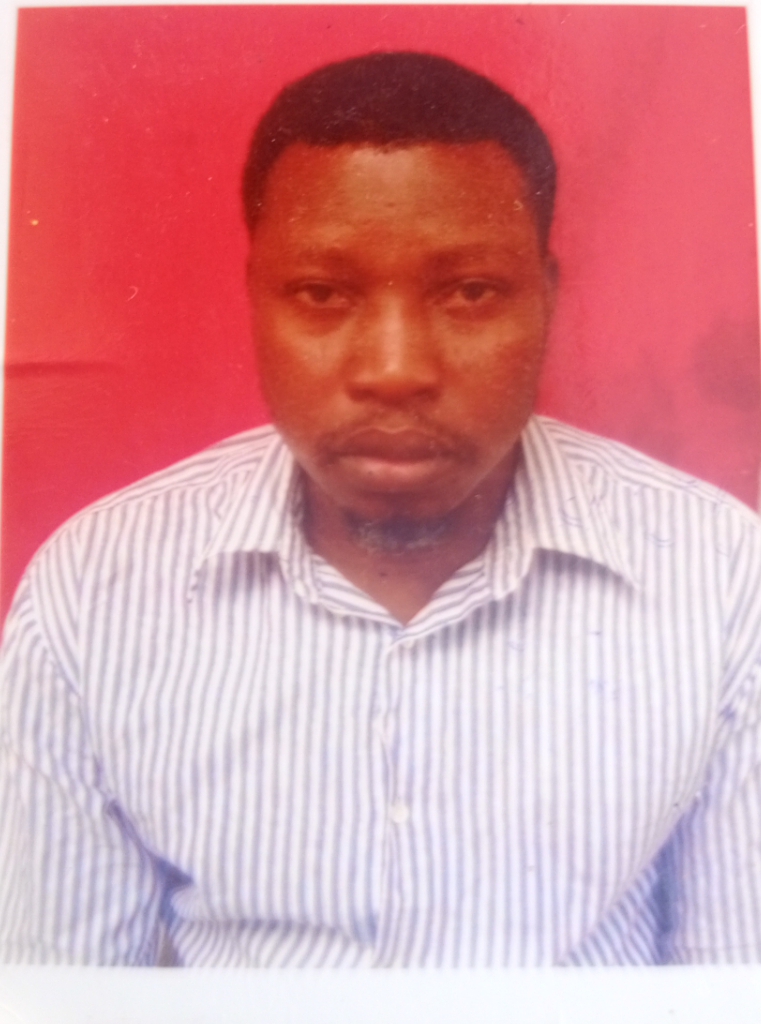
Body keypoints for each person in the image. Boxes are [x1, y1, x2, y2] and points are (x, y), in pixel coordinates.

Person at [1, 51, 760, 968]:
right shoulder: (95, 588)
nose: (395, 370)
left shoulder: (721, 577)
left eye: (469, 292)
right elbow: (59, 994)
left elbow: (734, 986)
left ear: (548, 300)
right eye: (322, 294)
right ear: (255, 301)